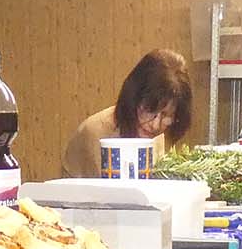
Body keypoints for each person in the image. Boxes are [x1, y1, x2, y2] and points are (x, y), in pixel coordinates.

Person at [62, 49, 195, 178]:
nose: (155, 125)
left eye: (167, 115)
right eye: (149, 110)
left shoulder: (158, 134)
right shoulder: (96, 134)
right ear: (133, 98)